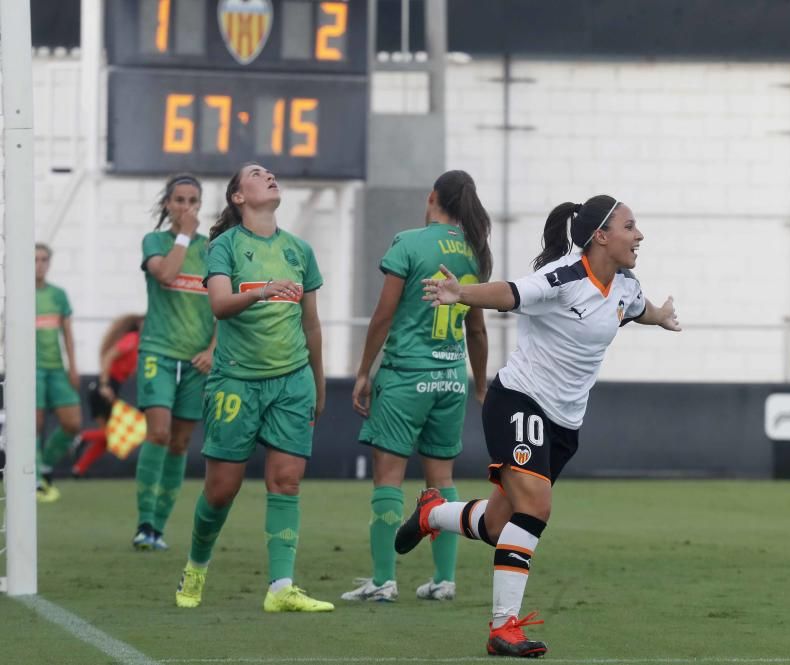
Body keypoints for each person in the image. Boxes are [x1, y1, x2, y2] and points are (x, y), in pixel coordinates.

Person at [394, 195, 681, 657]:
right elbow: (511, 292)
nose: (639, 235)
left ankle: (432, 513)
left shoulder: (624, 285)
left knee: (496, 524)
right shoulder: (563, 277)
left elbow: (633, 308)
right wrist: (462, 293)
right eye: (630, 226)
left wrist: (661, 315)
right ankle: (503, 627)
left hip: (564, 425)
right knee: (536, 508)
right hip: (519, 401)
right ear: (600, 236)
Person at [173, 163, 332, 613]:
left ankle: (281, 587)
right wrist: (264, 292)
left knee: (285, 482)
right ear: (238, 197)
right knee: (222, 489)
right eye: (257, 173)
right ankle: (197, 567)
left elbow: (313, 325)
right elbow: (220, 306)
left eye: (271, 172)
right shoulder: (223, 247)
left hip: (292, 381)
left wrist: (318, 386)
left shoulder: (300, 250)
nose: (270, 175)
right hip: (236, 382)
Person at [343, 170, 491, 603]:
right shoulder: (473, 252)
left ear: (432, 198)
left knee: (388, 476)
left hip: (407, 375)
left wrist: (363, 371)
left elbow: (384, 314)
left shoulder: (408, 242)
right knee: (441, 480)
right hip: (450, 379)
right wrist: (479, 383)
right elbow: (477, 331)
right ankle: (444, 580)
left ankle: (383, 580)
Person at [133, 173, 216, 551]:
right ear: (167, 204)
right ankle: (145, 522)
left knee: (181, 444)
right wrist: (183, 235)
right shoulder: (156, 242)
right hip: (159, 352)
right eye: (179, 200)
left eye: (192, 201)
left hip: (197, 361)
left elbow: (224, 307)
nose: (186, 207)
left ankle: (159, 529)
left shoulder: (213, 250)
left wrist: (214, 349)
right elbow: (166, 274)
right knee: (159, 433)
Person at [34, 242, 82, 503]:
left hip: (57, 369)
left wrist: (73, 366)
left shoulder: (58, 295)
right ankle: (34, 481)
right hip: (32, 371)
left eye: (43, 260)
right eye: (34, 260)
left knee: (73, 423)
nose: (39, 264)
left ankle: (45, 466)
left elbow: (68, 334)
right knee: (34, 425)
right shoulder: (19, 295)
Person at [72, 313, 143, 477]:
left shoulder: (139, 344)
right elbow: (109, 356)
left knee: (108, 438)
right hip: (105, 386)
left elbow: (130, 368)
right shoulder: (132, 338)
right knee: (115, 433)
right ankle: (82, 437)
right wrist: (104, 385)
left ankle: (79, 469)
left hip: (111, 386)